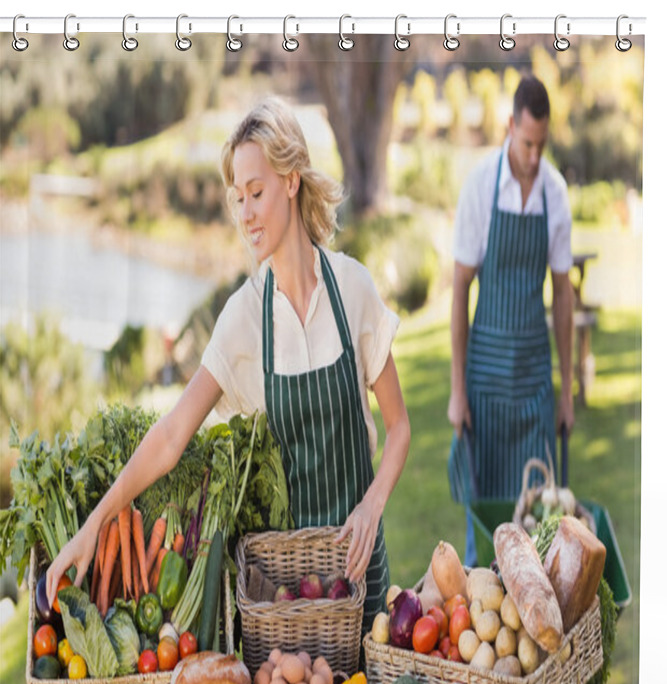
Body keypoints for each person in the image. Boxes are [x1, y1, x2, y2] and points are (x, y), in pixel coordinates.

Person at [48, 97, 410, 639]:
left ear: (291, 181)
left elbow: (400, 427)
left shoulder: (352, 289)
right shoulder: (244, 318)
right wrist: (92, 526)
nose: (244, 214)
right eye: (237, 197)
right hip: (286, 599)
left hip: (364, 577)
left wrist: (371, 507)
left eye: (256, 193)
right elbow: (171, 435)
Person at [447, 75, 574, 567]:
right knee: (487, 526)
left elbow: (562, 294)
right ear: (509, 127)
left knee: (543, 525)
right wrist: (458, 391)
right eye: (527, 143)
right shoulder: (481, 185)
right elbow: (459, 287)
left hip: (534, 381)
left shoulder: (555, 194)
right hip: (485, 384)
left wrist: (564, 392)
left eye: (542, 144)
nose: (534, 156)